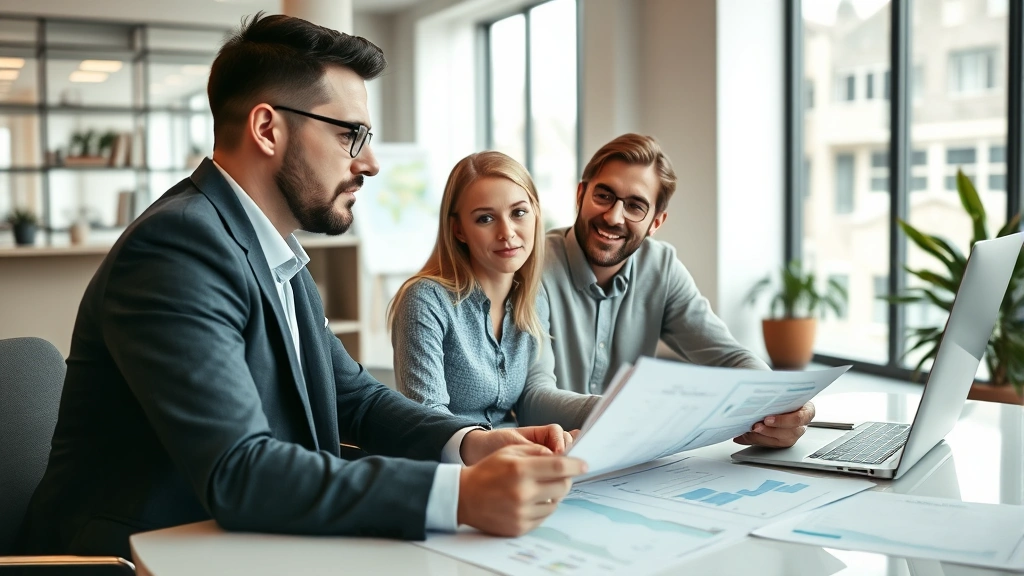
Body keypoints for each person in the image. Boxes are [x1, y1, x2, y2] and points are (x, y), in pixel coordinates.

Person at [16, 13, 585, 559]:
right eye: (351, 135)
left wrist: (468, 444)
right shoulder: (176, 248)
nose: (370, 163)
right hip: (145, 554)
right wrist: (459, 496)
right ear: (268, 128)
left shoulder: (274, 253)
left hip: (239, 540)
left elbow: (355, 398)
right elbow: (240, 471)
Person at [541, 133, 814, 448]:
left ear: (656, 222)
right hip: (543, 459)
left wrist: (779, 407)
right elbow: (533, 399)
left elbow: (729, 356)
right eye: (604, 196)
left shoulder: (661, 267)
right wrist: (634, 411)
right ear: (580, 194)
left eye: (635, 206)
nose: (614, 217)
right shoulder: (536, 267)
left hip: (630, 458)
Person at [389, 151, 598, 430]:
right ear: (458, 230)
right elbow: (429, 420)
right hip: (455, 465)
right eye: (485, 219)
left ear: (536, 214)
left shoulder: (533, 298)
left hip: (513, 456)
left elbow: (535, 395)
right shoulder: (425, 300)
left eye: (519, 213)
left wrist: (606, 408)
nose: (507, 232)